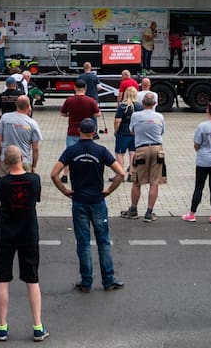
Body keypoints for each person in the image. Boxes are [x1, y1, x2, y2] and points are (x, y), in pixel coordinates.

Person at [50, 117, 126, 292]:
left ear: (79, 132)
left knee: (83, 243)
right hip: (97, 201)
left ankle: (86, 282)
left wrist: (65, 190)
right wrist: (109, 190)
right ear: (94, 133)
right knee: (103, 241)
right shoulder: (101, 151)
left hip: (79, 201)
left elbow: (54, 174)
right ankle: (108, 280)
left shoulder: (71, 151)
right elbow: (121, 173)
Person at [0, 145, 48, 342]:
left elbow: (0, 201)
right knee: (32, 279)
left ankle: (2, 326)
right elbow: (36, 200)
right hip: (28, 233)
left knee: (2, 279)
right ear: (22, 158)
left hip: (6, 233)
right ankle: (37, 326)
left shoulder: (1, 182)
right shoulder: (34, 180)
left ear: (6, 163)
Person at [121, 91, 164, 222]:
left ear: (142, 103)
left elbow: (132, 130)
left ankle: (133, 210)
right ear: (155, 104)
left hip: (141, 149)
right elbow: (162, 131)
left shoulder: (135, 115)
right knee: (154, 182)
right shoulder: (160, 116)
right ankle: (149, 212)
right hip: (157, 149)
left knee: (137, 181)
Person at [0, 95, 43, 174]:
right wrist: (33, 166)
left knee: (4, 184)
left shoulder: (5, 118)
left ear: (16, 105)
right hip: (24, 161)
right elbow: (36, 148)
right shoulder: (32, 123)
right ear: (29, 106)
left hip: (6, 160)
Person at [59, 77, 100, 149]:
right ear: (85, 88)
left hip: (72, 131)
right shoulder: (91, 101)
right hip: (87, 133)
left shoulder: (69, 100)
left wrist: (69, 114)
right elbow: (97, 114)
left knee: (71, 155)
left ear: (75, 88)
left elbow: (63, 113)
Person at [112, 86, 138, 178]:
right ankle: (131, 174)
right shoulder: (140, 106)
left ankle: (120, 174)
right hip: (135, 133)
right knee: (133, 153)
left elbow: (117, 120)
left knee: (119, 154)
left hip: (123, 133)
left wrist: (116, 130)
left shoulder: (122, 106)